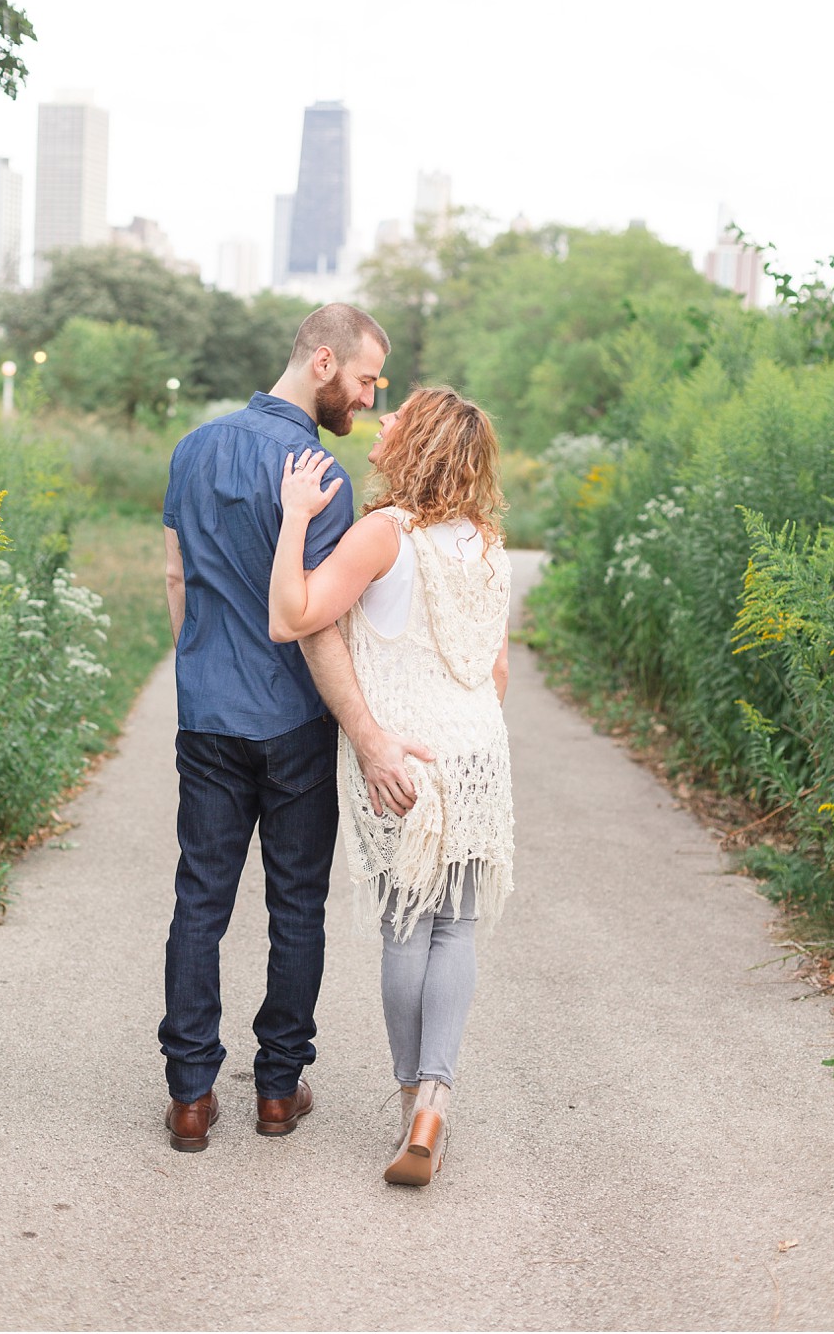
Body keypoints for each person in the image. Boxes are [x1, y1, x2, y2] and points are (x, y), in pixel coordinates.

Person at [158, 304, 433, 1152]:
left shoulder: (194, 449)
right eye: (364, 377)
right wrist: (364, 727)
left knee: (199, 899)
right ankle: (278, 1089)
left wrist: (202, 667)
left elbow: (175, 574)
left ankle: (191, 1096)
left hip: (208, 714)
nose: (367, 395)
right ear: (323, 361)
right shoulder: (320, 471)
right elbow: (319, 620)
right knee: (296, 906)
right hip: (295, 723)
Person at [268, 385, 514, 1186]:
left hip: (400, 754)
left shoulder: (383, 534)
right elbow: (494, 669)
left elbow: (295, 614)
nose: (383, 421)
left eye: (397, 416)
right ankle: (437, 1097)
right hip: (477, 755)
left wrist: (297, 517)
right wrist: (463, 734)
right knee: (458, 930)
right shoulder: (484, 543)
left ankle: (413, 1101)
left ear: (421, 443)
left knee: (407, 929)